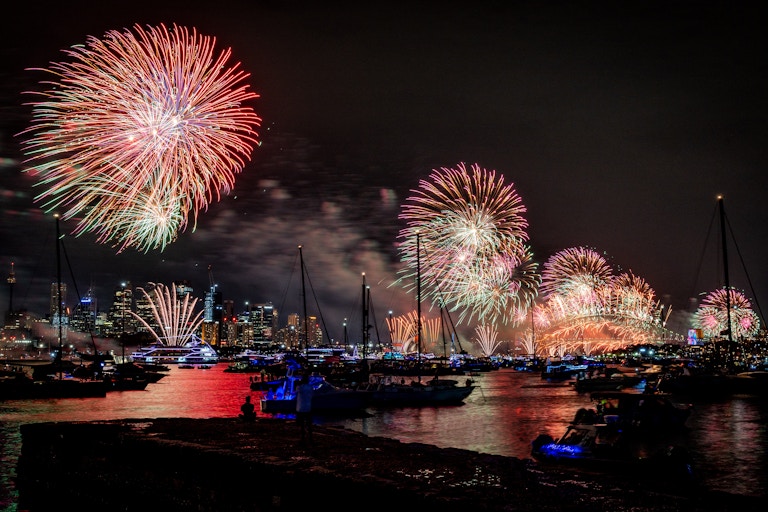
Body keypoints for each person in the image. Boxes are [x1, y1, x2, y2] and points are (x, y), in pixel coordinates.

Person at [295, 374, 314, 445]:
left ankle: (303, 438)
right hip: (308, 407)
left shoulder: (300, 387)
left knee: (302, 424)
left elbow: (296, 390)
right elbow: (312, 395)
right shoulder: (310, 387)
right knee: (309, 424)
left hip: (300, 408)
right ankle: (310, 438)